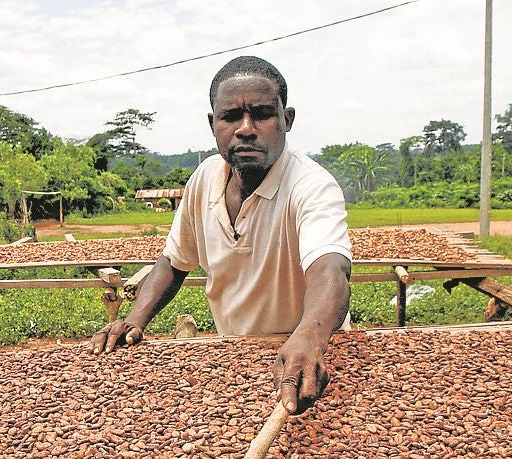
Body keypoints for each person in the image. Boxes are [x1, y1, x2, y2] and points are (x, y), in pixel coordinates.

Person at [89, 56, 352, 414]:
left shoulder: (311, 186)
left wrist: (309, 336)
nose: (246, 128)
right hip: (235, 357)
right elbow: (174, 261)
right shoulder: (204, 178)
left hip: (310, 360)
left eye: (261, 114)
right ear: (213, 124)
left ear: (287, 120)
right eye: (231, 117)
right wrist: (134, 321)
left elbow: (330, 269)